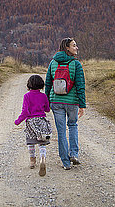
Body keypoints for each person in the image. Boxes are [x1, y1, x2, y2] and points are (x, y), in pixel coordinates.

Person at [45, 38, 86, 170]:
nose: (76, 48)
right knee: (73, 125)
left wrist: (46, 101)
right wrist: (82, 105)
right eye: (74, 45)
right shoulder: (76, 64)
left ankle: (65, 163)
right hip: (72, 102)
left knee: (61, 132)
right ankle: (73, 154)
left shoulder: (53, 63)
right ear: (67, 48)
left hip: (56, 102)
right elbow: (80, 86)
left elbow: (48, 83)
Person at [14, 74, 52, 176]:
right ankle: (42, 158)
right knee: (42, 141)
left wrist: (18, 121)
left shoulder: (26, 96)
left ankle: (32, 160)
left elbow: (25, 112)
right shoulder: (43, 96)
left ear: (29, 85)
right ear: (41, 85)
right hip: (41, 120)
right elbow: (47, 109)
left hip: (31, 122)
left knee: (31, 141)